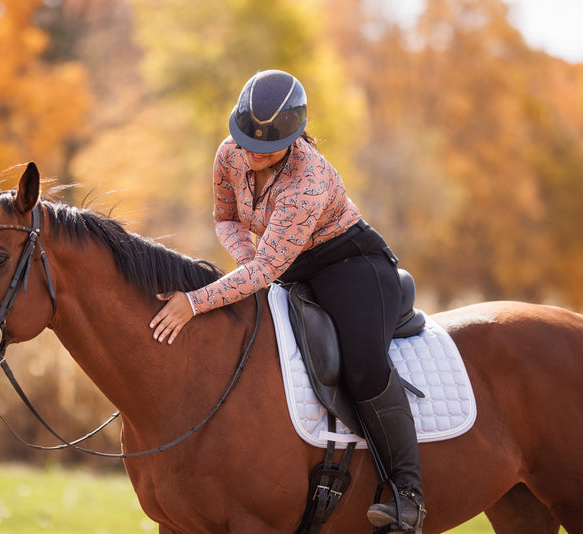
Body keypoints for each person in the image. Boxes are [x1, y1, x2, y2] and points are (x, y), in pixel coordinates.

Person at [149, 69, 426, 531]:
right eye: (247, 142)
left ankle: (409, 493)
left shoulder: (308, 180)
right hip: (286, 265)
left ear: (295, 137)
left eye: (268, 148)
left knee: (362, 365)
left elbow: (264, 272)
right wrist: (247, 254)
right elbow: (225, 219)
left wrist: (194, 302)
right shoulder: (228, 154)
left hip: (349, 264)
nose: (253, 155)